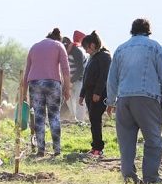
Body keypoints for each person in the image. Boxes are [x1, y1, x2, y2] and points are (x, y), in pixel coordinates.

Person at [106, 18, 162, 184]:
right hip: (147, 97)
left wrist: (110, 101)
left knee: (126, 140)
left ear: (132, 30)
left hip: (123, 99)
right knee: (153, 139)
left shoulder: (121, 49)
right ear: (148, 30)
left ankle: (128, 175)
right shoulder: (155, 47)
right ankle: (151, 177)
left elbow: (112, 78)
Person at [22, 28, 71, 157]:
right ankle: (57, 149)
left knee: (39, 116)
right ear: (58, 38)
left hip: (35, 83)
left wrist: (23, 92)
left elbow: (27, 71)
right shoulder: (59, 46)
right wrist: (67, 89)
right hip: (52, 83)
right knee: (54, 116)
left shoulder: (34, 47)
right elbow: (66, 70)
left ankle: (41, 149)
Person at [78, 31, 111, 158]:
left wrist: (97, 92)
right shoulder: (93, 57)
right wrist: (82, 94)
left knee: (96, 120)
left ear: (92, 45)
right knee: (93, 120)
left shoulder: (104, 56)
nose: (86, 51)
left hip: (99, 94)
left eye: (86, 48)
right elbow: (86, 77)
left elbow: (103, 76)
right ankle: (95, 146)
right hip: (89, 93)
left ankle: (98, 148)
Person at [63, 35, 87, 121]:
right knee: (68, 98)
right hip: (70, 79)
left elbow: (80, 70)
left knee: (79, 99)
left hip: (80, 79)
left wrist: (71, 81)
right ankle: (74, 117)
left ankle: (80, 120)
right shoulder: (64, 53)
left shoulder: (77, 52)